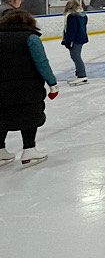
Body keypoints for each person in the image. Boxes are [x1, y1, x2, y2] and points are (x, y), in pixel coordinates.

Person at [0, 10, 58, 167]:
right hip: (28, 87)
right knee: (29, 116)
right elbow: (42, 63)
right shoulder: (31, 38)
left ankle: (0, 151)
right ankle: (29, 150)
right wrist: (52, 83)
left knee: (2, 116)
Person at [61, 0, 89, 86]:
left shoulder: (72, 16)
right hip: (81, 38)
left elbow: (71, 30)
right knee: (75, 56)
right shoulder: (83, 15)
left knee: (76, 56)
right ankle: (79, 74)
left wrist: (67, 41)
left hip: (75, 39)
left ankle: (82, 75)